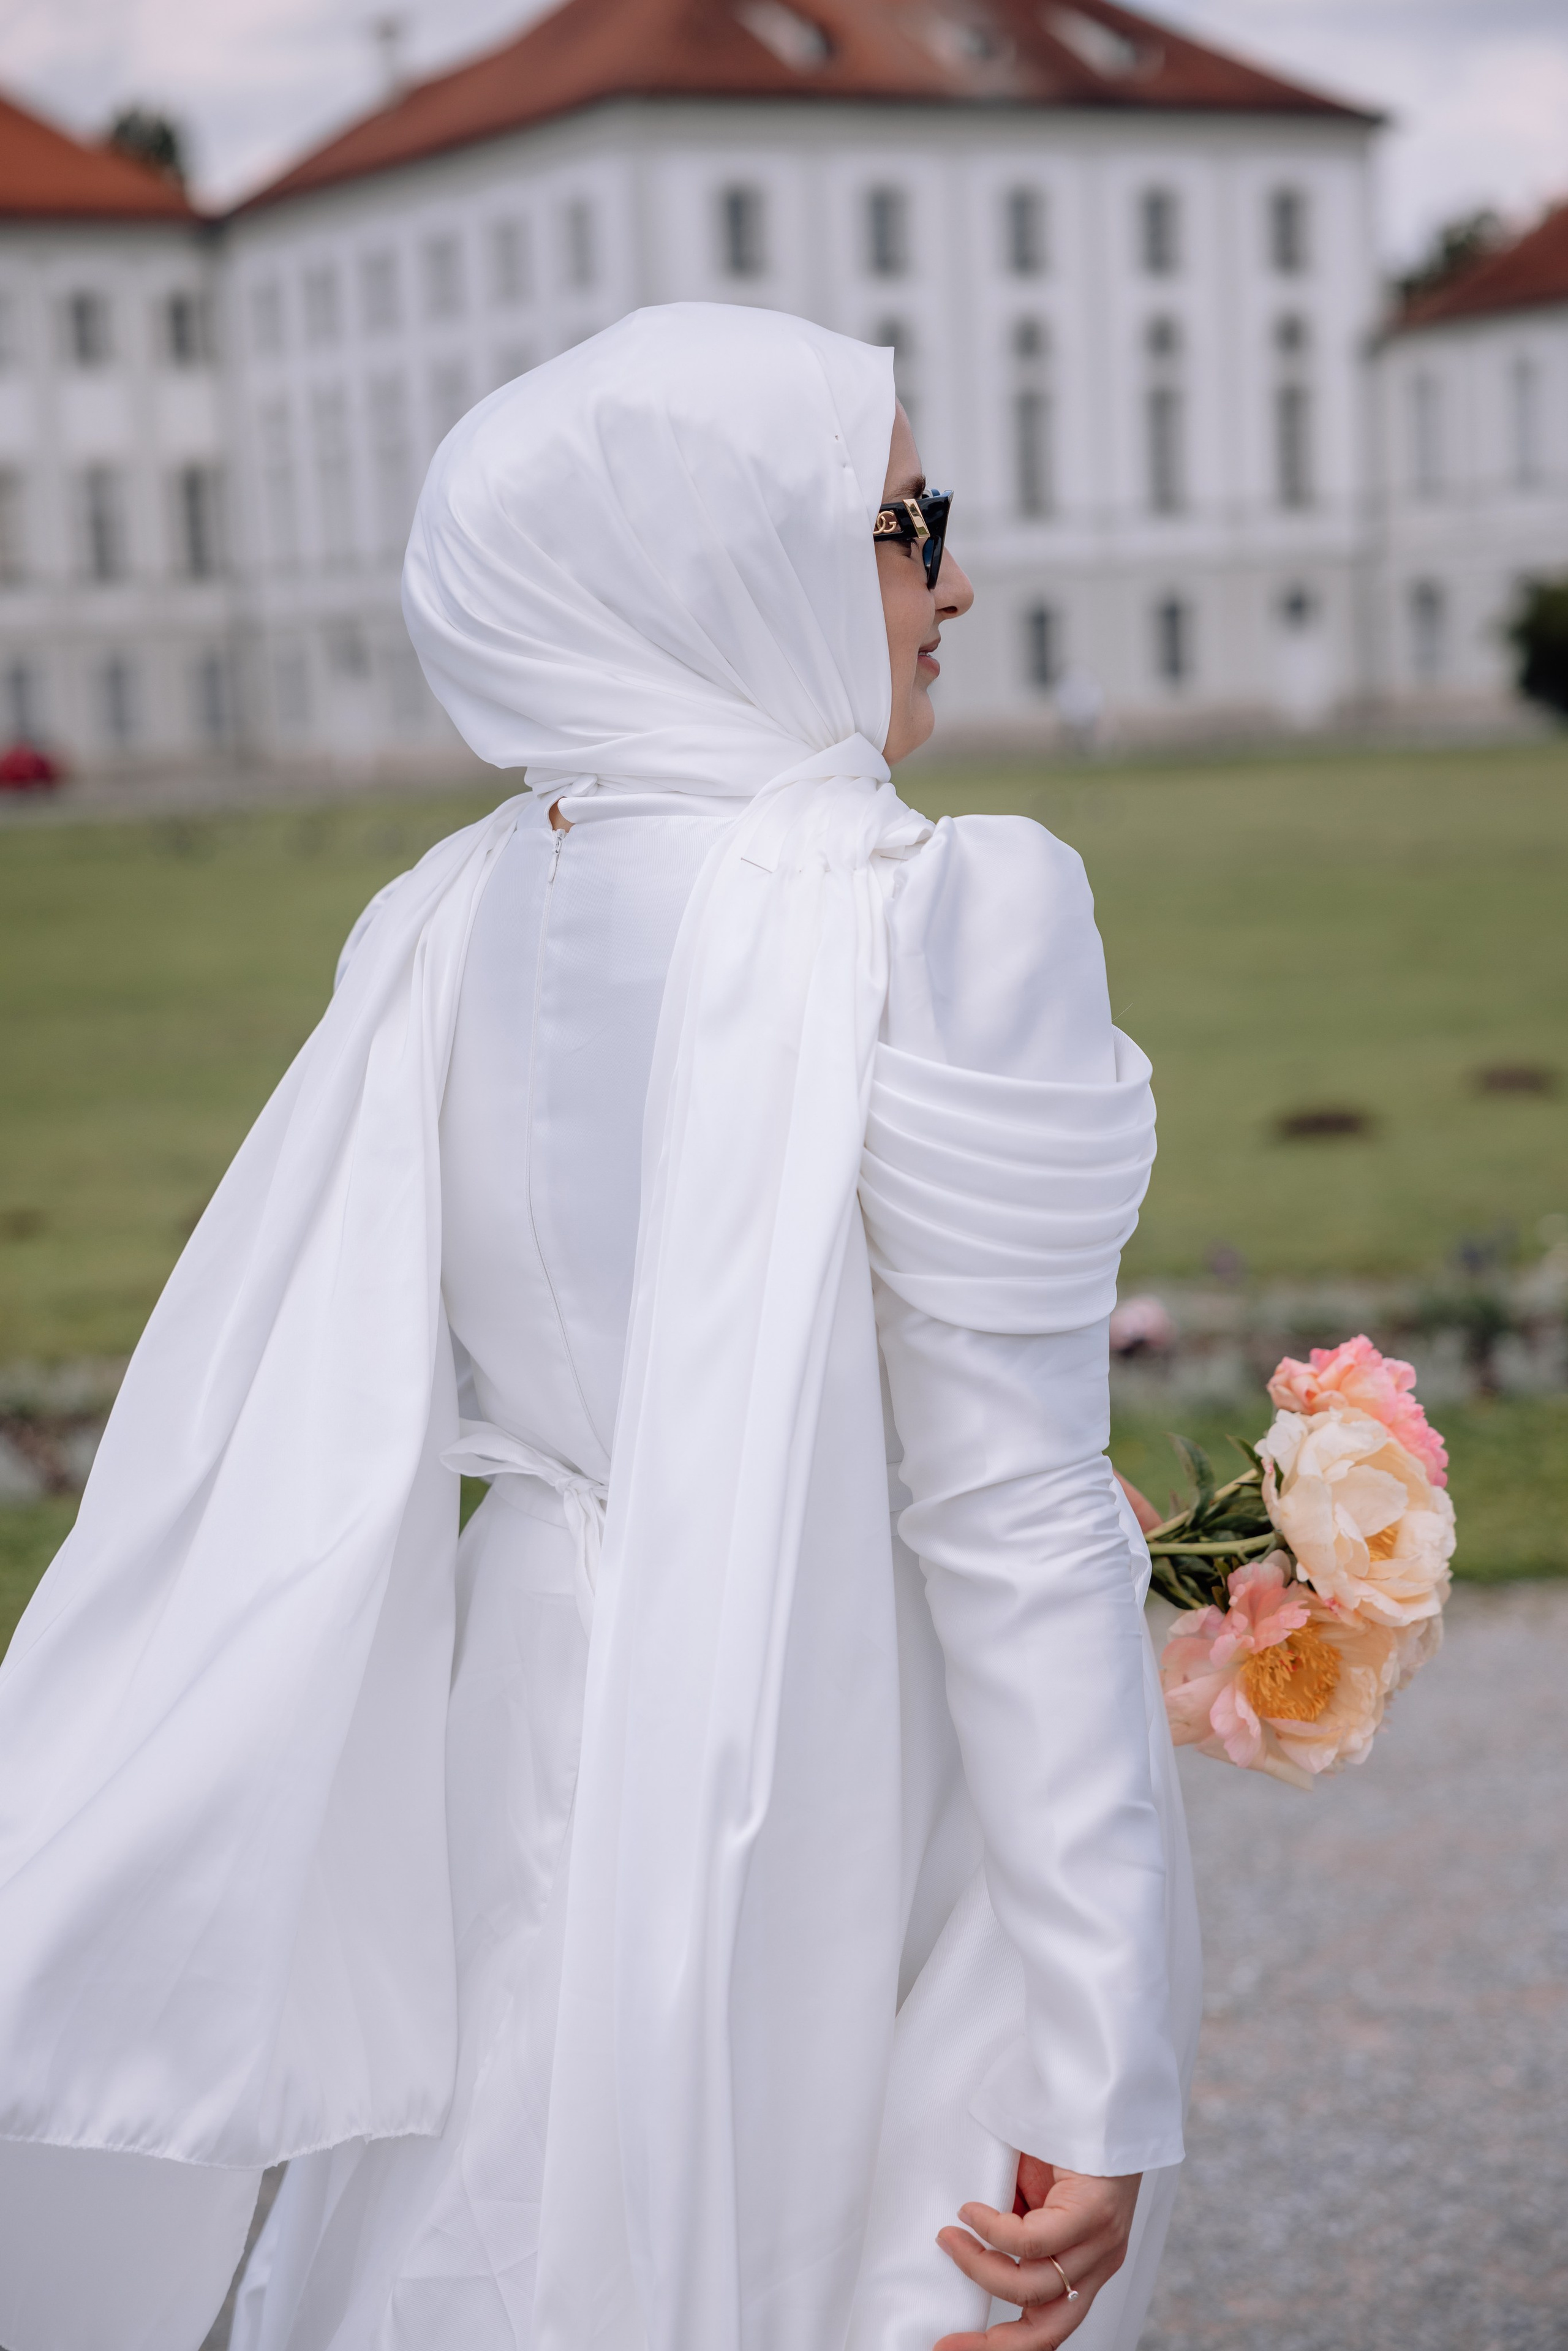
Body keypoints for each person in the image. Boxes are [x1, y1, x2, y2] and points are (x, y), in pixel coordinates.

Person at [0, 304, 1199, 2351]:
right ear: (734, 557)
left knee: (496, 2233)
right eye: (908, 521)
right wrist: (1101, 2048)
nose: (957, 581)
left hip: (532, 1718)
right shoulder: (946, 912)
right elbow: (1012, 1515)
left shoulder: (444, 923)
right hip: (831, 1745)